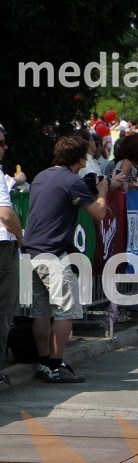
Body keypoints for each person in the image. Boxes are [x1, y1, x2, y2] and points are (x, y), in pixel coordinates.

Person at [23, 137, 118, 383]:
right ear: (80, 159)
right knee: (66, 311)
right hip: (54, 254)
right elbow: (97, 213)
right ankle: (56, 366)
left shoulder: (42, 176)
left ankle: (45, 362)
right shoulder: (71, 181)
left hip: (32, 251)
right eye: (85, 157)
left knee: (41, 312)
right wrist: (102, 192)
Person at [0, 123, 25, 364]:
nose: (5, 148)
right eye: (0, 143)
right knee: (3, 308)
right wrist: (19, 236)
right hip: (2, 246)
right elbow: (6, 215)